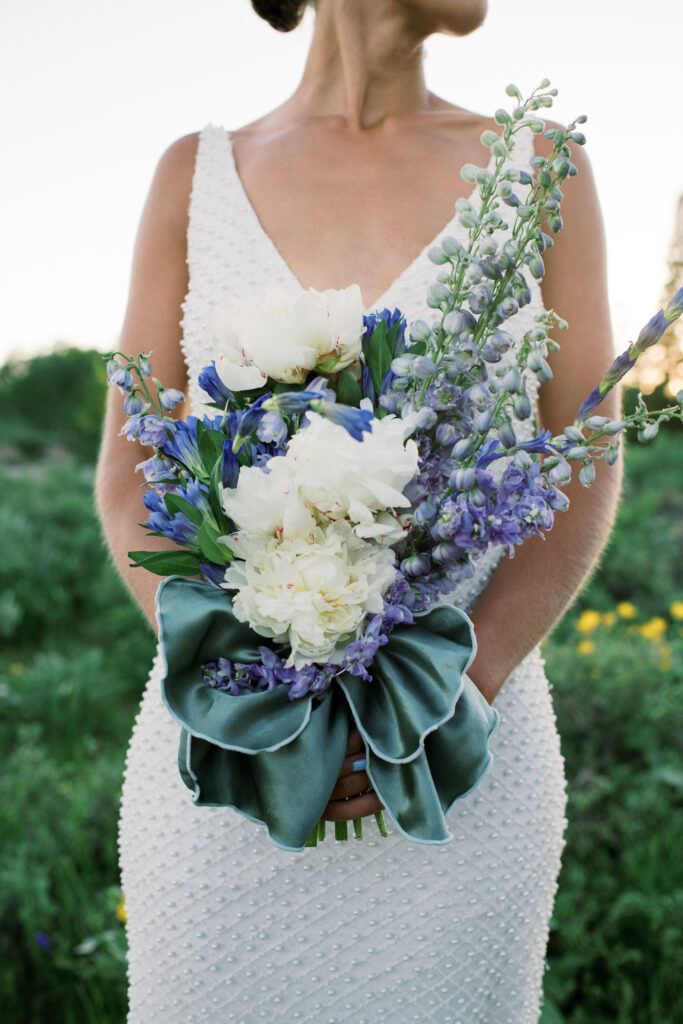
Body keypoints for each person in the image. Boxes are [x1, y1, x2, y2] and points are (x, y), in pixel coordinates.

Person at [95, 1, 621, 1020]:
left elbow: (582, 459)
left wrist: (450, 688)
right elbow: (129, 473)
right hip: (232, 764)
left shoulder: (539, 163)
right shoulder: (193, 176)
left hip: (457, 768)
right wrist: (256, 694)